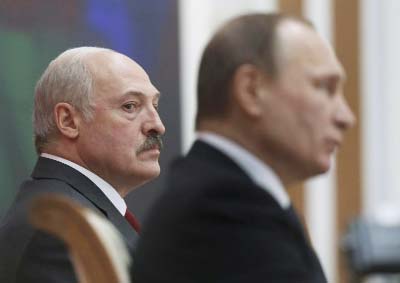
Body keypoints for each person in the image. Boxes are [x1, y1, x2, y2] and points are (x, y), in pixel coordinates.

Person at [134, 13, 355, 283]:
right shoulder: (222, 210)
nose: (346, 117)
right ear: (251, 90)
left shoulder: (226, 196)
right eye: (324, 87)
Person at [0, 47, 165, 283]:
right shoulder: (58, 232)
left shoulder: (74, 214)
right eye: (130, 106)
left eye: (155, 106)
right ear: (68, 121)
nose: (157, 125)